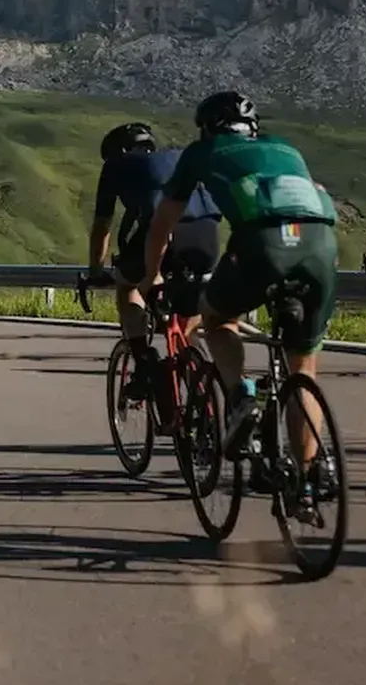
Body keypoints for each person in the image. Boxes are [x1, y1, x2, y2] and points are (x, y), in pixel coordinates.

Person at [140, 90, 340, 500]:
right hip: (320, 244)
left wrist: (149, 278)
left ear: (208, 126)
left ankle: (239, 397)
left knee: (215, 318)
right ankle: (303, 482)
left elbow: (163, 223)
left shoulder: (202, 151)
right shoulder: (286, 147)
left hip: (261, 245)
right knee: (302, 367)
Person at [87, 121, 221, 400]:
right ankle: (195, 378)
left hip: (161, 231)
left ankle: (144, 363)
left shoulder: (116, 165)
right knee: (188, 312)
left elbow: (102, 225)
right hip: (206, 233)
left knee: (128, 286)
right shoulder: (177, 157)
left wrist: (96, 270)